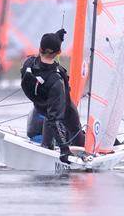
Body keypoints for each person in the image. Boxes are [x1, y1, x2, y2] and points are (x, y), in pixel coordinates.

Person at [20, 28, 83, 164]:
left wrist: (56, 38)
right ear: (59, 52)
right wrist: (64, 149)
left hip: (42, 107)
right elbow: (56, 119)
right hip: (65, 112)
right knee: (75, 133)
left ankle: (46, 146)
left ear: (40, 49)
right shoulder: (56, 82)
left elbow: (41, 57)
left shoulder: (28, 65)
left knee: (49, 117)